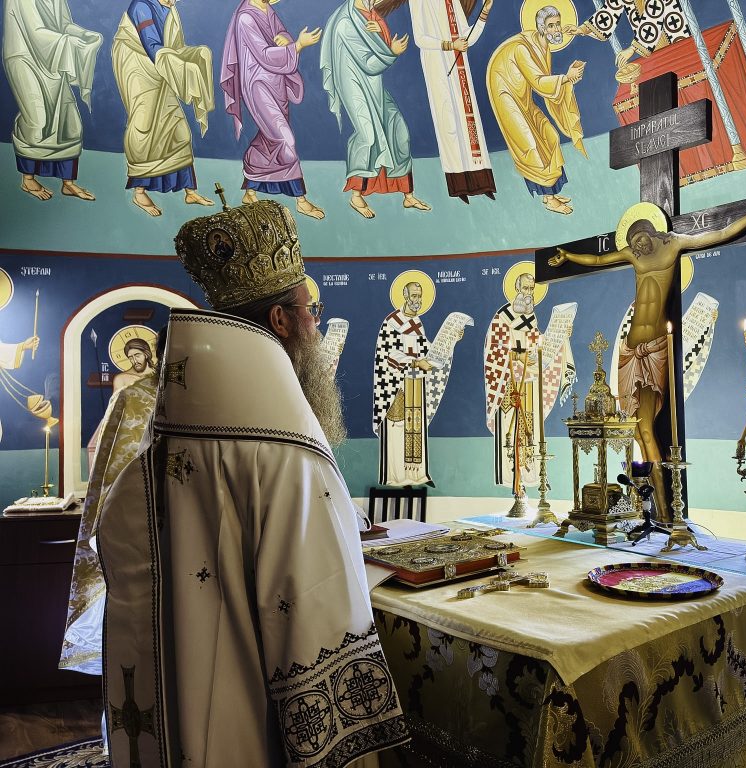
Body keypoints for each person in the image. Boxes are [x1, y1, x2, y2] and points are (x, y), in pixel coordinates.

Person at [99, 199, 406, 767]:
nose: (316, 325)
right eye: (310, 311)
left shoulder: (171, 428)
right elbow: (315, 608)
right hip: (251, 725)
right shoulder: (289, 453)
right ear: (281, 321)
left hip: (178, 697)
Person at [548, 197, 746, 516]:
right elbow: (597, 259)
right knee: (635, 429)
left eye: (641, 239)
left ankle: (665, 510)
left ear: (652, 231)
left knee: (647, 429)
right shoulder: (632, 254)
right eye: (633, 242)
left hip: (654, 348)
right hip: (630, 350)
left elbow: (719, 234)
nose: (638, 246)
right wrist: (568, 256)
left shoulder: (673, 243)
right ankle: (652, 506)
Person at [61, 339, 160, 676]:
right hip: (144, 520)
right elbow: (113, 466)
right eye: (130, 355)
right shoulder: (129, 393)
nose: (136, 359)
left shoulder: (210, 395)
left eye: (140, 354)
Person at [321, 0, 431, 219]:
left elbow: (381, 45)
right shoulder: (345, 22)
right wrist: (392, 52)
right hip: (354, 86)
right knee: (368, 135)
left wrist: (382, 32)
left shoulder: (369, 13)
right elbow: (370, 63)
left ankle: (408, 195)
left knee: (398, 131)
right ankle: (356, 195)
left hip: (374, 86)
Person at [221, 0, 325, 219]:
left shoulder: (266, 8)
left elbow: (280, 33)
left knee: (269, 140)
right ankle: (301, 200)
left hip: (276, 83)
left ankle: (250, 191)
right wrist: (298, 45)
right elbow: (265, 55)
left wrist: (286, 39)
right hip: (258, 85)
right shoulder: (245, 17)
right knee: (285, 139)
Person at [112, 0, 215, 217]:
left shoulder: (170, 8)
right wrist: (182, 66)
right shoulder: (141, 7)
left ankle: (189, 191)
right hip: (139, 68)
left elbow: (174, 48)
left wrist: (196, 55)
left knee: (177, 127)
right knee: (144, 125)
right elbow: (152, 46)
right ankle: (139, 191)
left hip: (161, 68)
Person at [486, 5, 586, 215]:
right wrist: (566, 77)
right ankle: (549, 199)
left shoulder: (543, 47)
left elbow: (544, 85)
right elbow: (540, 82)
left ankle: (553, 192)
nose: (556, 29)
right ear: (541, 28)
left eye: (557, 24)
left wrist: (566, 80)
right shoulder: (523, 49)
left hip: (523, 97)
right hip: (507, 98)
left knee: (550, 136)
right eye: (551, 25)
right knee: (530, 146)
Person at [3, 0, 101, 202]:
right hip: (25, 58)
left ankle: (68, 183)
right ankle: (28, 179)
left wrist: (83, 34)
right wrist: (71, 42)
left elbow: (63, 24)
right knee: (37, 121)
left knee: (67, 121)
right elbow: (35, 32)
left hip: (52, 59)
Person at [484, 272, 575, 487]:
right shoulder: (502, 316)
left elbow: (537, 344)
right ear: (516, 288)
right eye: (525, 289)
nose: (528, 294)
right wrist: (517, 356)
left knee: (530, 424)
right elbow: (494, 349)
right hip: (508, 380)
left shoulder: (530, 318)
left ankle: (529, 474)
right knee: (510, 425)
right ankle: (510, 475)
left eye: (531, 289)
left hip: (530, 378)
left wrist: (562, 335)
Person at [373, 281, 463, 486]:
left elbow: (428, 350)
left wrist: (451, 340)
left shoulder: (417, 322)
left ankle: (417, 475)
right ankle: (395, 476)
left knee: (416, 425)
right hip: (396, 384)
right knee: (397, 427)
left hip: (417, 382)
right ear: (405, 296)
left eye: (419, 296)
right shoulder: (392, 322)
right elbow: (388, 354)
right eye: (414, 296)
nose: (417, 300)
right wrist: (414, 362)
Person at [409, 0, 496, 202]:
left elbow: (466, 36)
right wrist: (450, 45)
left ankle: (482, 182)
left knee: (470, 123)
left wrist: (484, 13)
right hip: (437, 67)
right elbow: (420, 39)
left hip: (459, 66)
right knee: (449, 124)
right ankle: (460, 185)